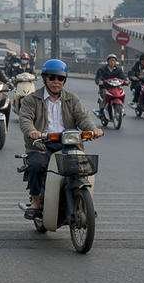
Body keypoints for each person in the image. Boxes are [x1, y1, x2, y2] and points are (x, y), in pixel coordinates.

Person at [18, 59, 102, 219]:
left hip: (68, 143)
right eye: (52, 77)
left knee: (81, 168)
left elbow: (83, 117)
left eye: (60, 78)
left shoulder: (72, 99)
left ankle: (84, 203)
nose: (56, 82)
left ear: (64, 80)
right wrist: (32, 131)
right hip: (41, 144)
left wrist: (93, 130)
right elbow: (25, 119)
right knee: (36, 165)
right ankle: (35, 201)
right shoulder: (32, 99)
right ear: (44, 79)